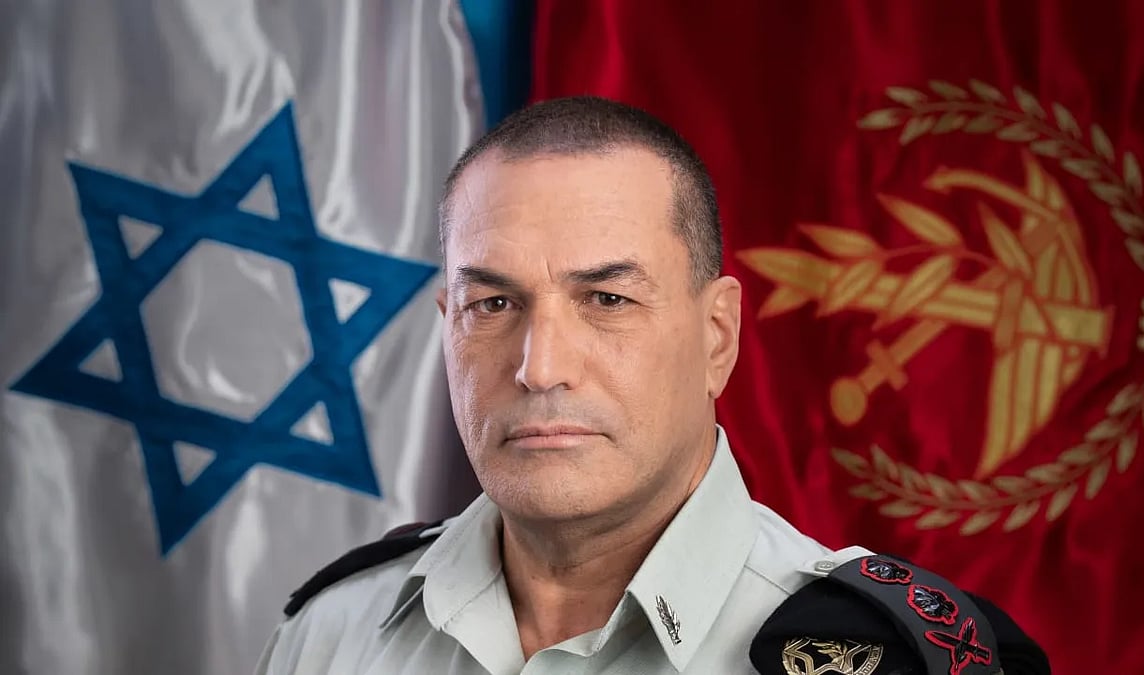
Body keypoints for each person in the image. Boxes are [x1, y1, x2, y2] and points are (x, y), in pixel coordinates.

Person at [254, 96, 1046, 675]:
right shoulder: (330, 636)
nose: (540, 366)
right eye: (492, 304)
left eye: (607, 300)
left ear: (717, 337)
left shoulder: (887, 662)